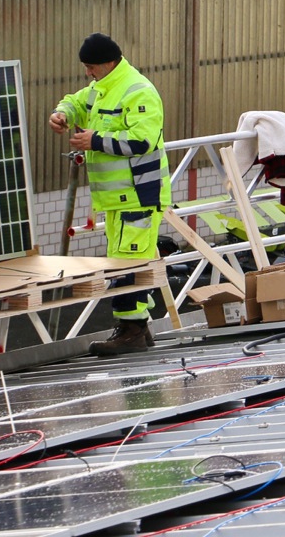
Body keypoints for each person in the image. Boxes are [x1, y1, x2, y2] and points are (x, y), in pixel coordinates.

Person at [48, 33, 171, 356]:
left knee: (128, 264)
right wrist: (62, 114)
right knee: (127, 262)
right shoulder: (102, 87)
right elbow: (78, 101)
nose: (88, 73)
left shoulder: (138, 90)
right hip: (118, 198)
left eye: (91, 67)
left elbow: (143, 141)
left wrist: (96, 141)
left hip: (139, 195)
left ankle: (131, 331)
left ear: (108, 62)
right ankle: (138, 330)